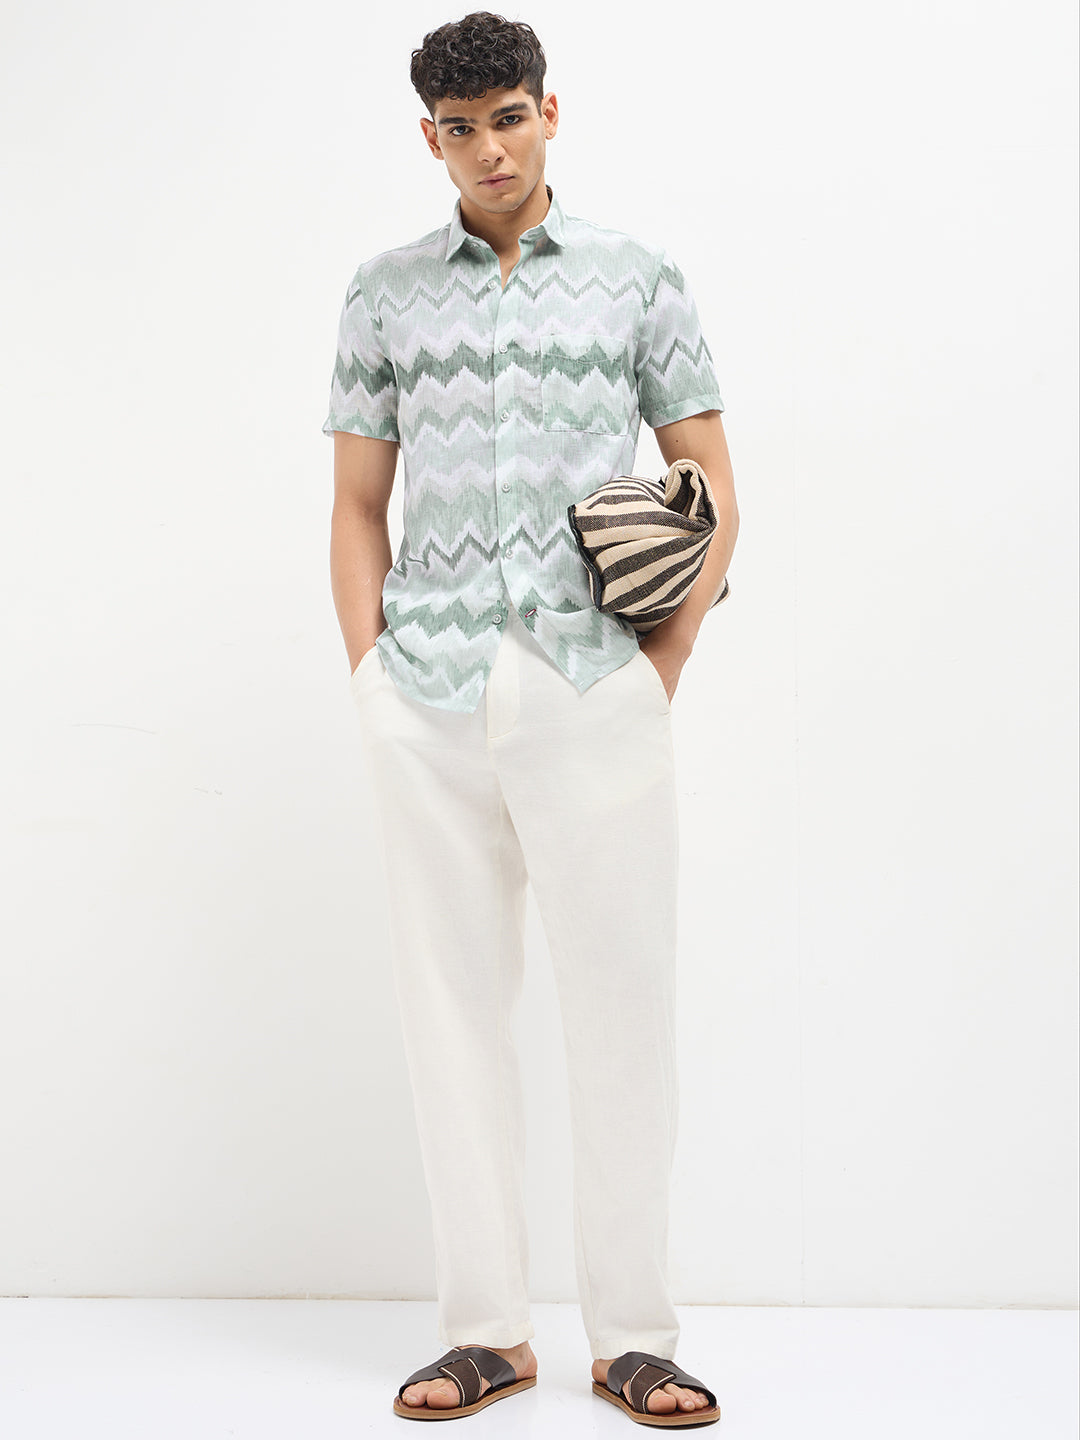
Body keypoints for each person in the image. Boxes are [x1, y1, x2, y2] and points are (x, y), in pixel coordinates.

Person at [323, 10, 738, 1426]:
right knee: (450, 1011)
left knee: (624, 1010)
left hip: (589, 677)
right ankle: (486, 1333)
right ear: (429, 138)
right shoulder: (384, 296)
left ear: (549, 113)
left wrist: (657, 667)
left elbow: (713, 488)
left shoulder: (637, 278)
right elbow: (357, 507)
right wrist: (371, 679)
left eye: (508, 117)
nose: (489, 148)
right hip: (429, 689)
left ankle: (634, 1336)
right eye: (461, 128)